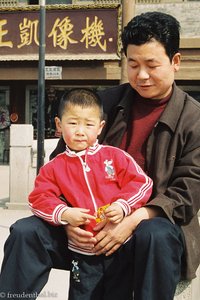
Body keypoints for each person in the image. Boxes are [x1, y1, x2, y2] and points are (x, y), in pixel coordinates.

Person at [0, 11, 200, 300]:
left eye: (152, 65)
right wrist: (68, 220)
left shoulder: (193, 120)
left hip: (147, 232)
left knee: (155, 234)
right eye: (133, 64)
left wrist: (132, 220)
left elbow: (187, 194)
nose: (141, 75)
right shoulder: (104, 104)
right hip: (86, 231)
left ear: (175, 62)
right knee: (25, 232)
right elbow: (60, 164)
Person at [29, 88, 153, 300]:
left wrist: (123, 206)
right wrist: (64, 213)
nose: (80, 131)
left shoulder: (114, 157)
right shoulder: (54, 167)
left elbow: (141, 183)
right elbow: (39, 198)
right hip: (82, 252)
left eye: (88, 124)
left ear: (100, 127)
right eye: (73, 123)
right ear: (59, 125)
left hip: (119, 248)